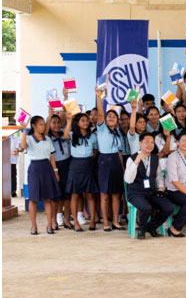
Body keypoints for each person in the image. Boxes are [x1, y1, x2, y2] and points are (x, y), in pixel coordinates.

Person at [124, 132, 174, 240]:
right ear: (140, 143)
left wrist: (161, 187)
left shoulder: (155, 158)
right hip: (135, 193)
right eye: (146, 142)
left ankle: (151, 227)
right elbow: (128, 179)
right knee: (146, 207)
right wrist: (137, 161)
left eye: (152, 142)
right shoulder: (132, 159)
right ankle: (141, 230)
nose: (150, 145)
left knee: (168, 207)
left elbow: (159, 175)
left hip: (151, 192)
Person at [20, 116, 61, 235]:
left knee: (48, 198)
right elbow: (23, 147)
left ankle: (49, 225)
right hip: (34, 168)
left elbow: (52, 157)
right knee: (33, 199)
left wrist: (56, 171)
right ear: (34, 126)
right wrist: (23, 130)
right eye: (41, 124)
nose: (43, 126)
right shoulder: (28, 138)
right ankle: (34, 226)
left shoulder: (47, 139)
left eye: (44, 124)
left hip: (47, 168)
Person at [95, 86, 125, 231]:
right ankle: (106, 222)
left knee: (116, 194)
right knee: (105, 194)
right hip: (104, 161)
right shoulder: (102, 128)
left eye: (114, 116)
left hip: (116, 162)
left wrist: (123, 168)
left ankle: (115, 221)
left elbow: (119, 152)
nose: (111, 118)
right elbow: (100, 113)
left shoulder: (118, 132)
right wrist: (99, 98)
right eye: (109, 116)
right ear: (105, 120)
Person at [63, 112, 99, 232]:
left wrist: (88, 160)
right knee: (75, 194)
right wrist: (69, 121)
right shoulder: (73, 135)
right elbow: (65, 135)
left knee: (90, 194)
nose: (86, 122)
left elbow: (95, 152)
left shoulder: (93, 136)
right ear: (77, 123)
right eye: (82, 120)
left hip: (88, 165)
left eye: (87, 120)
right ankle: (76, 223)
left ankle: (93, 220)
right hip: (75, 165)